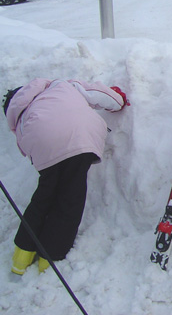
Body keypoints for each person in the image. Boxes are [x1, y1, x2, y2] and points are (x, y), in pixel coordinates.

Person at [3, 78, 128, 275]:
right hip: (80, 137)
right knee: (70, 198)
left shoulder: (19, 116)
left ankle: (21, 255)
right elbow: (100, 94)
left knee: (44, 196)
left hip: (45, 148)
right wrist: (118, 100)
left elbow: (25, 148)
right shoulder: (59, 85)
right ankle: (49, 257)